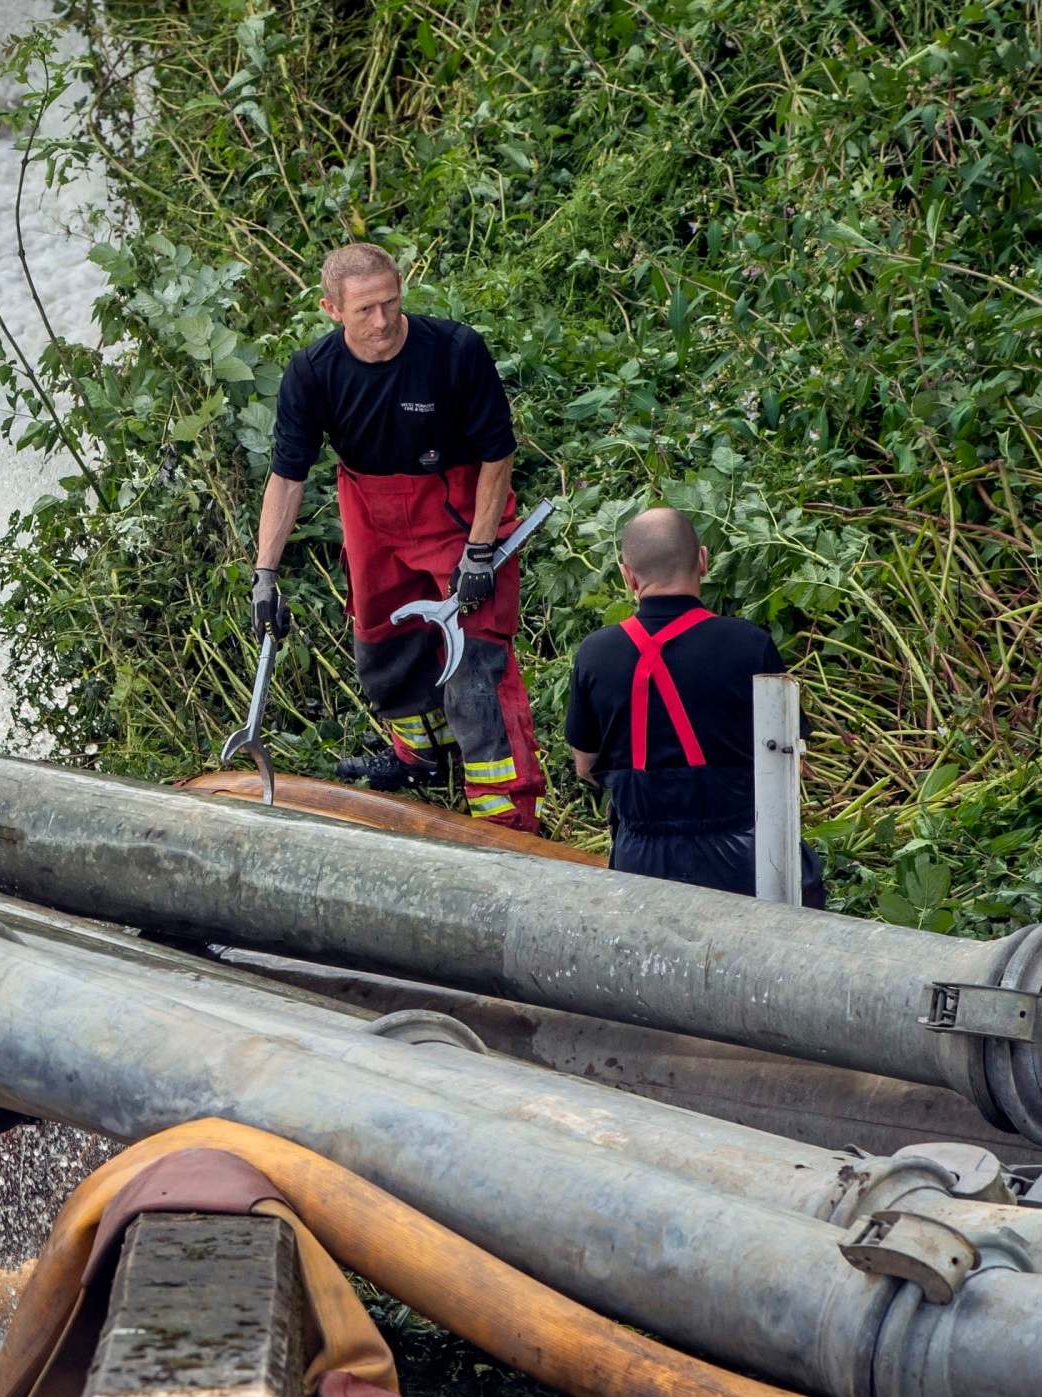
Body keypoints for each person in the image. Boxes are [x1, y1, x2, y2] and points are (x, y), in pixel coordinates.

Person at [249, 242, 544, 832]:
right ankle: (422, 759)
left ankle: (507, 816)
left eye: (391, 303)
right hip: (371, 512)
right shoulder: (313, 371)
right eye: (365, 310)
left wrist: (481, 550)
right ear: (332, 308)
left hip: (457, 509)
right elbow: (288, 477)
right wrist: (265, 575)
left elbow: (497, 454)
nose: (383, 322)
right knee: (381, 641)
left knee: (477, 666)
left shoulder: (455, 351)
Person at [565, 506, 826, 904]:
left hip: (642, 864)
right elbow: (791, 764)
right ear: (703, 560)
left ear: (627, 576)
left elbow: (585, 766)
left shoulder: (595, 653)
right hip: (746, 860)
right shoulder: (749, 644)